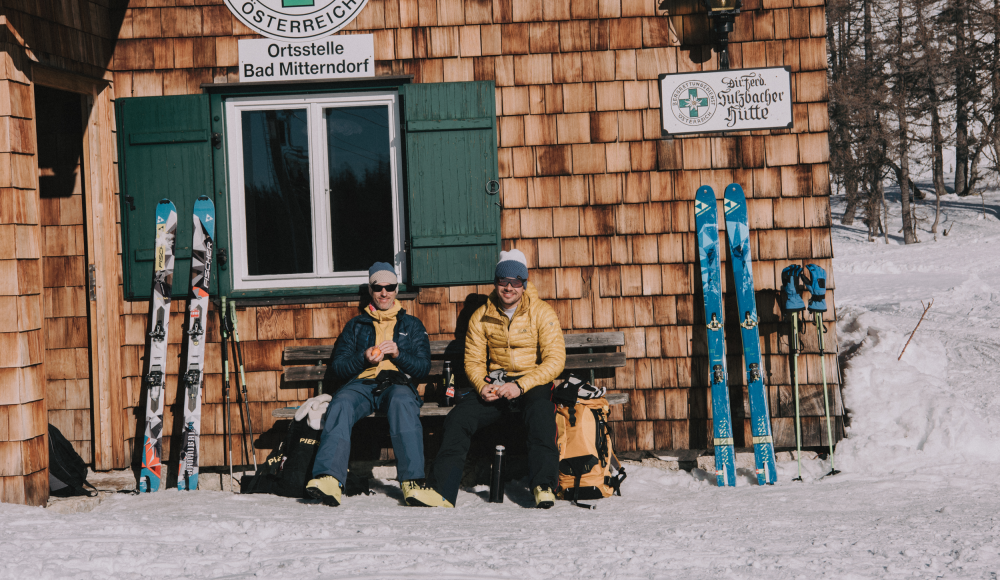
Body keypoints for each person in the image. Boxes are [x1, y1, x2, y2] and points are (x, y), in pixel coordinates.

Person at [421, 249, 566, 508]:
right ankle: (442, 490)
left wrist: (520, 385)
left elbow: (555, 361)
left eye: (515, 282)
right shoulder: (482, 315)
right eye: (503, 281)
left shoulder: (542, 313)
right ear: (496, 282)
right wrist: (482, 386)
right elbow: (474, 361)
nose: (509, 287)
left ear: (524, 284)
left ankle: (543, 485)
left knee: (542, 413)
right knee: (459, 417)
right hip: (497, 384)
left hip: (530, 383)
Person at [305, 262, 440, 507]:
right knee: (341, 403)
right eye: (378, 287)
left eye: (389, 287)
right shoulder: (356, 326)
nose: (384, 293)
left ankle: (413, 483)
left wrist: (399, 355)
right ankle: (328, 478)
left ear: (397, 289)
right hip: (362, 384)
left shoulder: (412, 325)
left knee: (402, 402)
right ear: (371, 290)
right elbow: (338, 367)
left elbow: (422, 368)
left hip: (396, 384)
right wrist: (363, 358)